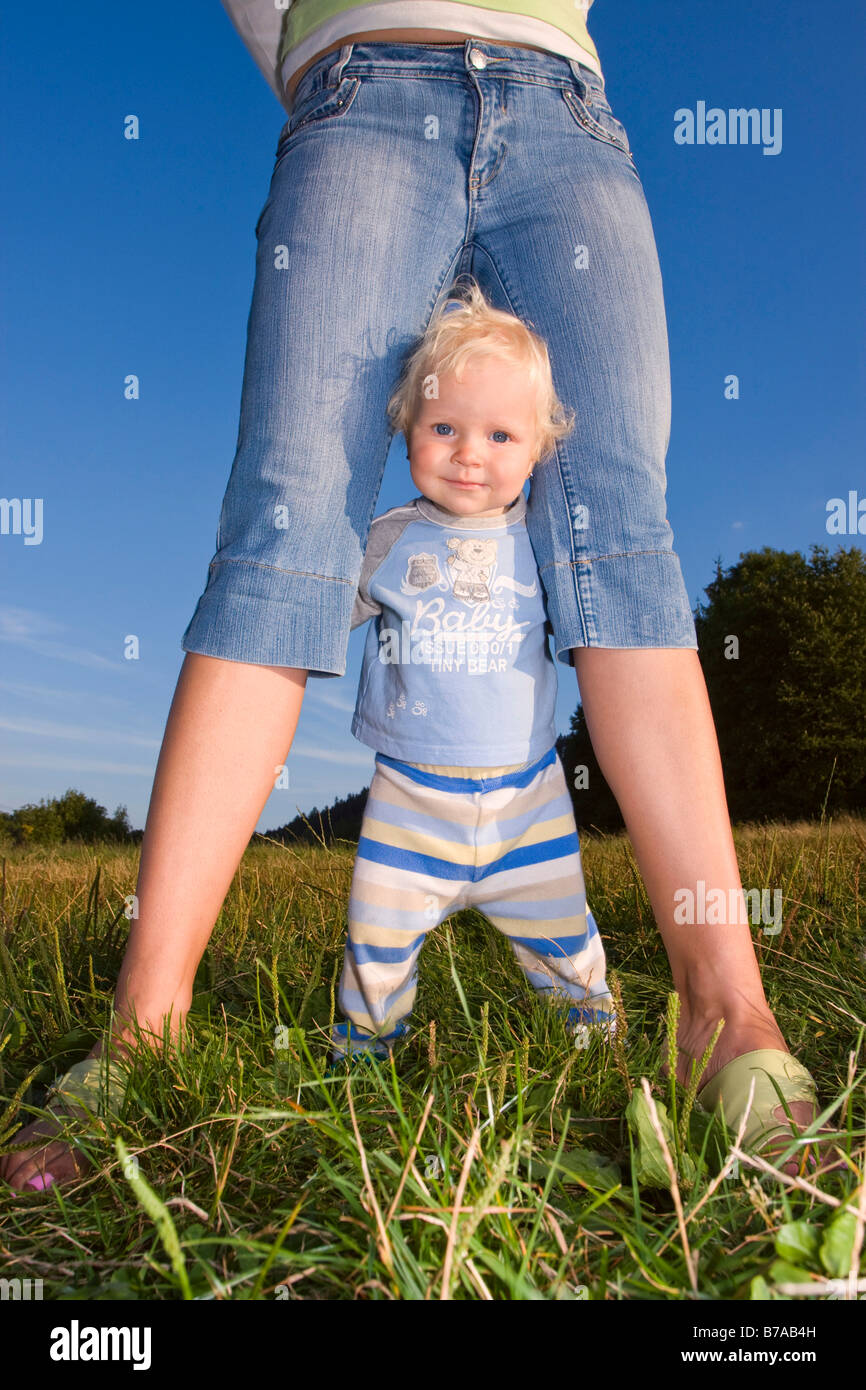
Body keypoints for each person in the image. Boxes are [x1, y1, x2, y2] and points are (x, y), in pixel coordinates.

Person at [0, 2, 831, 1190]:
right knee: (285, 522)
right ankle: (143, 1025)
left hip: (566, 109)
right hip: (358, 94)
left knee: (621, 527)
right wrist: (313, 52)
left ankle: (726, 1016)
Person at [330, 281, 614, 1065]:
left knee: (563, 930)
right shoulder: (390, 540)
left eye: (499, 435)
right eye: (445, 427)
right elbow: (316, 613)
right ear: (408, 428)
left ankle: (592, 1052)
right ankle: (365, 1061)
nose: (468, 453)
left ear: (537, 450)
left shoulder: (546, 545)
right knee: (377, 938)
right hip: (410, 797)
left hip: (529, 793)